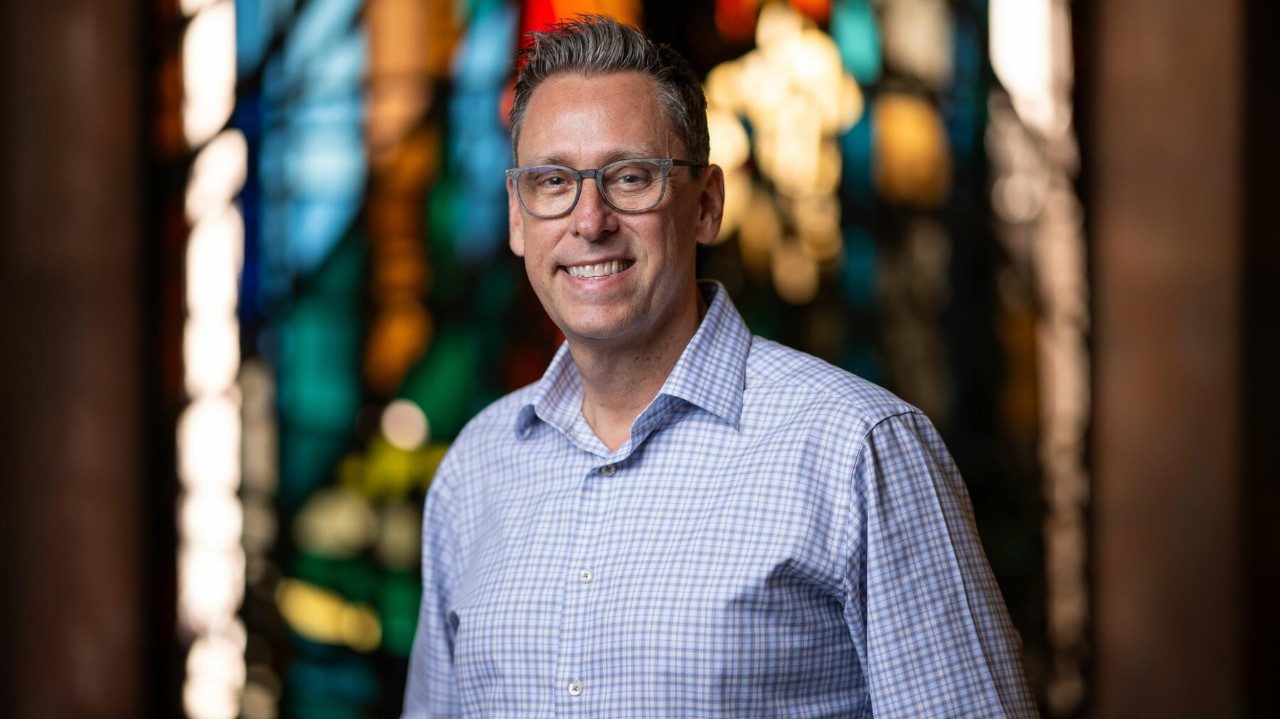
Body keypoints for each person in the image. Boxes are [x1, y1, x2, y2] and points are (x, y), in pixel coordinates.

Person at [403, 15, 1037, 718]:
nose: (589, 220)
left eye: (631, 176)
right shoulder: (475, 469)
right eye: (553, 181)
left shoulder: (859, 449)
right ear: (518, 218)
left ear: (706, 204)